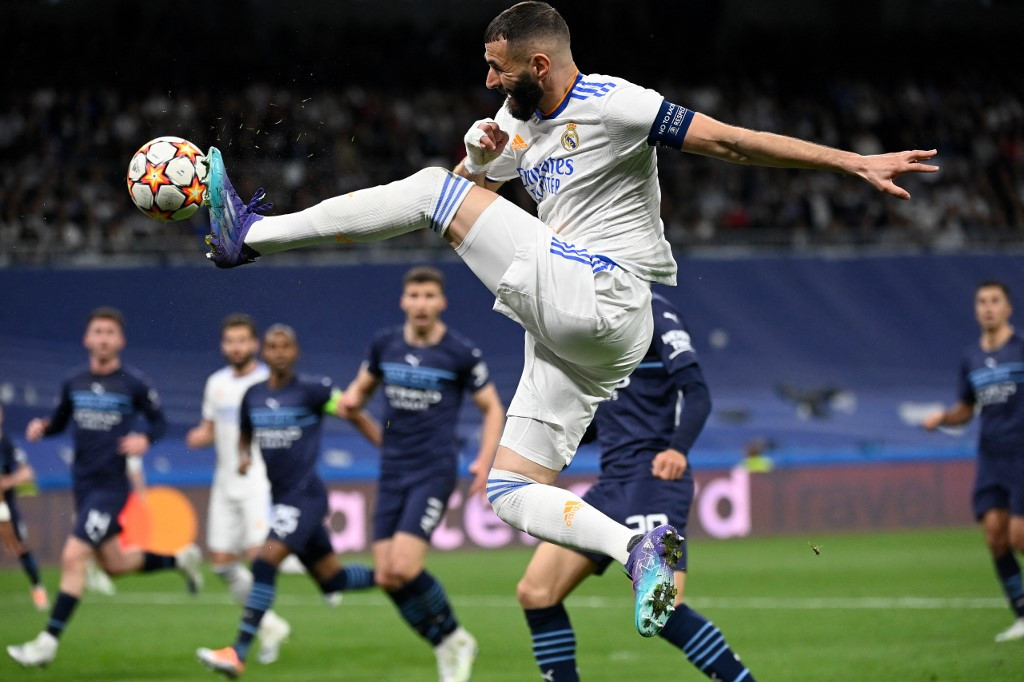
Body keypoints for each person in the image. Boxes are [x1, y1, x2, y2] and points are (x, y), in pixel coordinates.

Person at [199, 1, 938, 637]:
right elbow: (468, 194)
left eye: (499, 68)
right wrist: (477, 157)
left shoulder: (615, 103)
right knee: (509, 491)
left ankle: (249, 236)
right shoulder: (512, 119)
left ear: (542, 63)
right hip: (577, 340)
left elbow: (733, 141)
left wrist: (851, 162)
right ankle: (637, 551)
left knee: (427, 189)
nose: (489, 81)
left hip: (611, 293)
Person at [516, 290, 754, 681]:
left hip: (655, 479)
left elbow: (697, 392)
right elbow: (595, 422)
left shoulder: (653, 311)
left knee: (664, 608)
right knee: (536, 593)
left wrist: (678, 449)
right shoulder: (590, 319)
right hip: (612, 484)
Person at [6, 306, 203, 668]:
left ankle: (47, 642)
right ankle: (180, 559)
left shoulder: (134, 384)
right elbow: (60, 421)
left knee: (72, 556)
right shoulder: (74, 382)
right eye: (97, 331)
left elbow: (160, 423)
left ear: (120, 340)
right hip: (83, 484)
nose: (103, 338)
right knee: (114, 563)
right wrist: (42, 428)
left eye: (110, 332)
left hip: (111, 488)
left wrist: (145, 439)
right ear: (87, 339)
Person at [342, 265, 505, 681]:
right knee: (386, 575)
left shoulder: (460, 352)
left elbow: (493, 407)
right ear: (403, 301)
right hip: (392, 469)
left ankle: (454, 638)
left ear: (441, 303)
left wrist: (485, 462)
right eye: (414, 296)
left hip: (433, 469)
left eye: (429, 296)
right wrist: (367, 423)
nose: (421, 304)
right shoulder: (384, 345)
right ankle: (447, 643)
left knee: (406, 568)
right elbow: (354, 399)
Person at [197, 324, 381, 678]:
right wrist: (243, 455)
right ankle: (394, 577)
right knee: (333, 580)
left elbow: (351, 411)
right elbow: (246, 431)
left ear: (295, 352)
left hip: (305, 496)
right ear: (265, 352)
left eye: (285, 346)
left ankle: (237, 653)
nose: (279, 352)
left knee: (264, 563)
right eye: (272, 346)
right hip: (282, 497)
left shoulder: (313, 390)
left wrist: (386, 450)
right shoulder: (251, 395)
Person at [186, 313, 291, 664]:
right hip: (224, 482)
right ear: (223, 345)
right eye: (230, 340)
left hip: (259, 481)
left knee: (258, 556)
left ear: (255, 344)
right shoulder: (216, 383)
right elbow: (210, 427)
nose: (236, 347)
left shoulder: (269, 381)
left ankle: (313, 563)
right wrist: (199, 436)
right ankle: (271, 623)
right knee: (221, 564)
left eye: (242, 340)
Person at [923, 280, 1024, 643]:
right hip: (992, 457)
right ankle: (1023, 614)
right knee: (995, 537)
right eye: (982, 301)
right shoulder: (972, 359)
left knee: (1019, 535)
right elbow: (966, 410)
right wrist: (943, 419)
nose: (988, 307)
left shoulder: (1020, 348)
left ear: (1009, 307)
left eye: (995, 300)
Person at [0, 403, 49, 611]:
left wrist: (7, 482)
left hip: (6, 508)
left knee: (20, 547)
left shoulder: (7, 444)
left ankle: (37, 587)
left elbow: (28, 473)